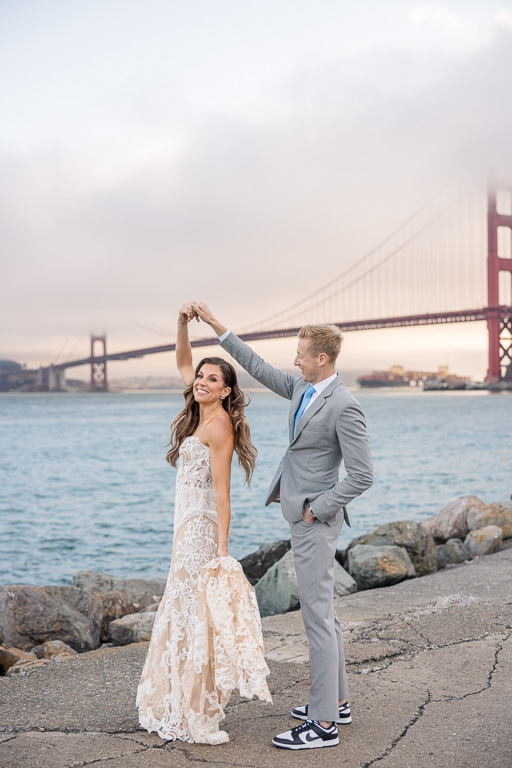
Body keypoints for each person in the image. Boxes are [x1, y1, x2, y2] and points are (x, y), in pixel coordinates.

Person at [192, 301, 373, 751]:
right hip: (302, 513)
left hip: (315, 518)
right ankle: (339, 701)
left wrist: (318, 508)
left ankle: (323, 724)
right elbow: (253, 364)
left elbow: (363, 474)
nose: (295, 359)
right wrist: (217, 326)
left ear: (323, 359)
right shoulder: (301, 389)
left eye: (301, 353)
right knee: (324, 613)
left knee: (315, 618)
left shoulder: (344, 405)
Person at [136, 303, 271, 745]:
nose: (201, 381)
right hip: (183, 528)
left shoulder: (219, 427)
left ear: (228, 391)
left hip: (200, 533)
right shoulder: (198, 410)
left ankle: (200, 715)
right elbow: (181, 361)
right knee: (182, 612)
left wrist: (223, 546)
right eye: (202, 376)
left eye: (213, 379)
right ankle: (177, 703)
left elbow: (222, 492)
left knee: (200, 619)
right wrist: (179, 323)